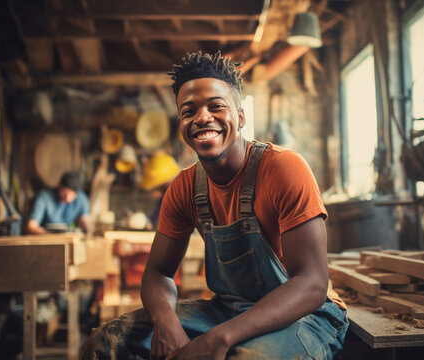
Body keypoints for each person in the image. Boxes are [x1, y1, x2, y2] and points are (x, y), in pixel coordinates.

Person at [82, 51, 348, 360]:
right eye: (188, 110)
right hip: (228, 310)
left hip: (303, 315)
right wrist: (165, 320)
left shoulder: (283, 168)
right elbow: (157, 272)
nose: (202, 117)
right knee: (107, 343)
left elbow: (313, 284)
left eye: (216, 106)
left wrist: (220, 338)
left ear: (241, 116)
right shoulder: (184, 188)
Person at [25, 171, 91, 234]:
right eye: (65, 194)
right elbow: (31, 226)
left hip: (68, 235)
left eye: (72, 195)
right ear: (59, 185)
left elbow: (86, 220)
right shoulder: (44, 197)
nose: (68, 198)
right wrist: (49, 235)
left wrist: (87, 230)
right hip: (46, 236)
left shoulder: (82, 199)